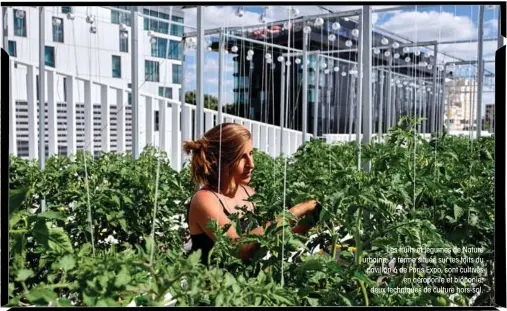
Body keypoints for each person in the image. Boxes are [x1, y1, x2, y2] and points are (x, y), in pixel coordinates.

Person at [183, 123, 318, 265]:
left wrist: (307, 222)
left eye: (251, 154)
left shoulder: (248, 192)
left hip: (247, 283)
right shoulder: (205, 199)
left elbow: (264, 237)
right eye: (242, 157)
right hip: (212, 285)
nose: (251, 163)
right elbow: (239, 249)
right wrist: (295, 211)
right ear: (222, 160)